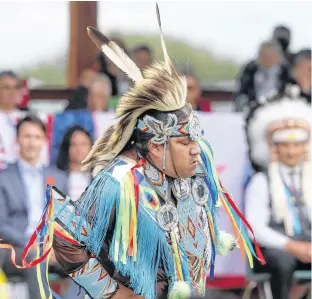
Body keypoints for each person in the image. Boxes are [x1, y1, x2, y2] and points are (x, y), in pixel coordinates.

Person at [1, 5, 264, 299]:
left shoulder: (186, 177)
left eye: (195, 142)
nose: (195, 151)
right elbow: (66, 239)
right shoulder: (118, 182)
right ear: (155, 145)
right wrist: (115, 292)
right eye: (184, 142)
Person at [245, 86, 312, 299]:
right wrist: (291, 246)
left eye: (297, 145)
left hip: (308, 244)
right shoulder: (261, 181)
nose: (291, 151)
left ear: (306, 147)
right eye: (285, 145)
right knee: (283, 261)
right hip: (275, 250)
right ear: (274, 148)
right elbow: (254, 228)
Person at [0, 115, 68, 299]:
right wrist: (30, 244)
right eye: (26, 136)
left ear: (44, 141)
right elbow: (2, 223)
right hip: (17, 248)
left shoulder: (59, 178)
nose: (31, 142)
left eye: (36, 137)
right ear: (17, 140)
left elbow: (64, 220)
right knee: (35, 259)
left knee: (89, 260)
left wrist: (54, 246)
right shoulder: (4, 178)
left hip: (52, 248)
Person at [234, 40, 289, 112]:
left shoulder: (286, 72)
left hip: (278, 110)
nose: (267, 59)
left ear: (278, 57)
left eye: (270, 55)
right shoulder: (250, 70)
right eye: (263, 55)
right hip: (253, 109)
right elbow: (241, 91)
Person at [56, 125, 92, 201]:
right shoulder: (56, 176)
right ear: (67, 148)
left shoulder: (98, 177)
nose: (79, 148)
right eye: (74, 144)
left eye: (83, 144)